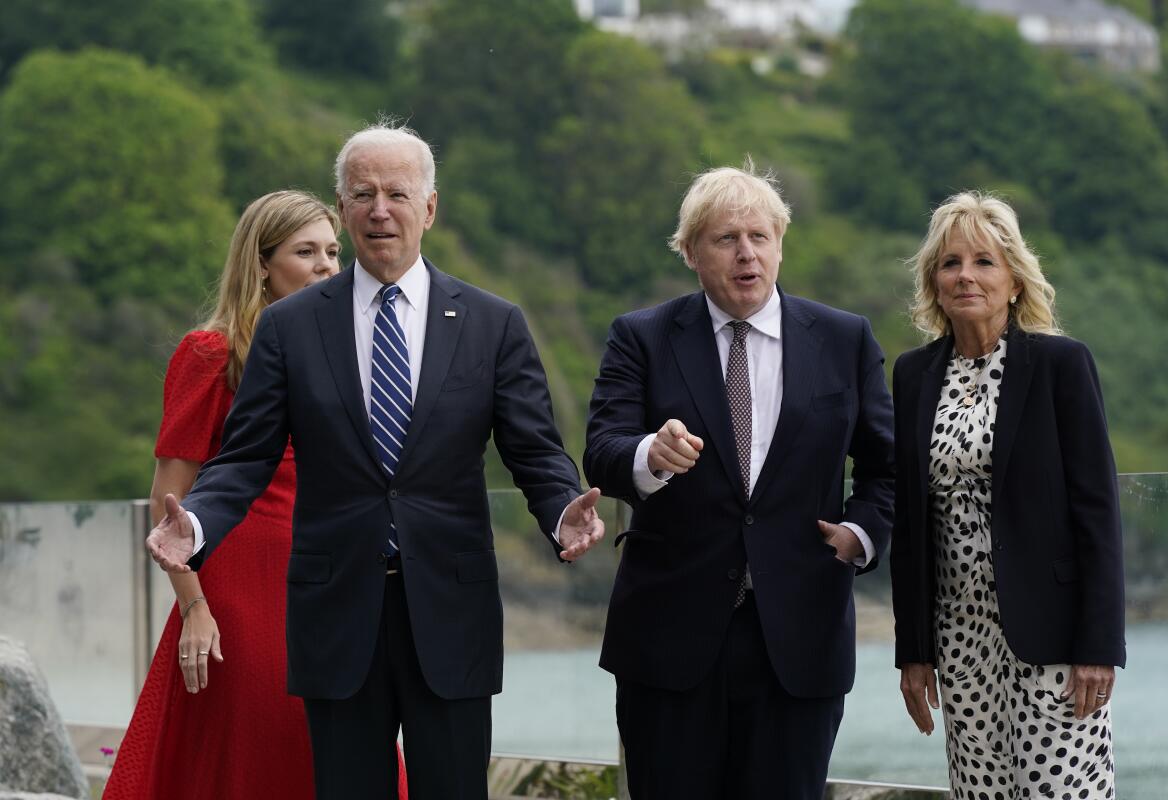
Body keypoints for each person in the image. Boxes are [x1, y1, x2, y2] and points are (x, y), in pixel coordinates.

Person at [144, 122, 605, 799]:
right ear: (342, 206)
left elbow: (533, 449)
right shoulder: (290, 327)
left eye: (397, 193)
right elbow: (244, 458)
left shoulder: (491, 322)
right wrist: (200, 526)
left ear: (430, 207)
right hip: (335, 613)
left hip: (450, 613)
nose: (380, 209)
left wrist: (562, 509)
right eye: (362, 194)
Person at [583, 162, 895, 799]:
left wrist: (860, 534)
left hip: (799, 633)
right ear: (691, 252)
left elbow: (887, 466)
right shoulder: (640, 337)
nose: (746, 253)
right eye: (725, 239)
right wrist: (650, 454)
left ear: (781, 244)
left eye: (760, 236)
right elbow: (603, 450)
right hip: (669, 638)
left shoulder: (844, 339)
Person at [103, 191, 414, 798]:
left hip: (330, 577)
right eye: (306, 251)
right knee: (261, 746)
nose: (328, 265)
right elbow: (170, 492)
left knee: (345, 746)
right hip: (242, 585)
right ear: (261, 265)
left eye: (332, 250)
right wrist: (194, 608)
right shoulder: (211, 353)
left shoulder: (344, 350)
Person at [890, 191, 1124, 799]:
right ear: (933, 283)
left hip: (1052, 637)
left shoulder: (1061, 365)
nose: (966, 275)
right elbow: (913, 528)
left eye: (984, 261)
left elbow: (1096, 511)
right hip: (959, 639)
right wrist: (913, 651)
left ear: (1015, 279)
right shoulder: (914, 377)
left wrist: (1099, 645)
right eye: (950, 263)